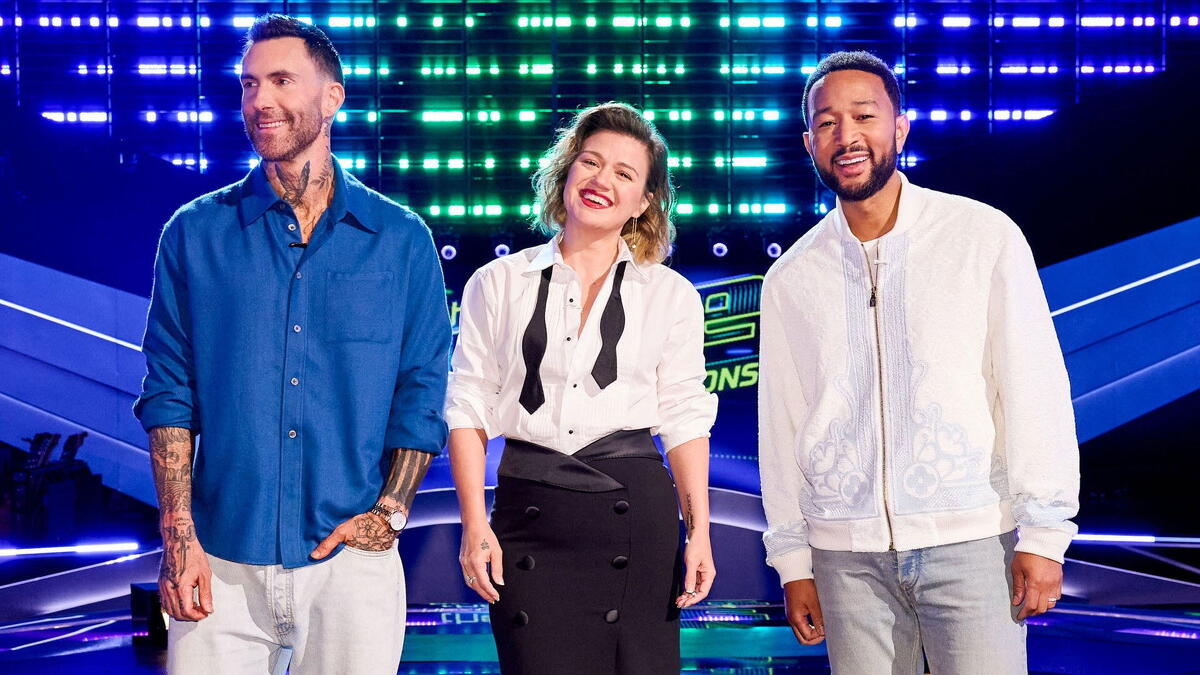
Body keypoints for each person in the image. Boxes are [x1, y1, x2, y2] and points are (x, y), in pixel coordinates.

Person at [133, 14, 450, 674]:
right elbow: (169, 394)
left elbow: (421, 391)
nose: (260, 101)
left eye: (281, 80)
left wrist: (390, 513)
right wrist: (178, 536)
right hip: (219, 559)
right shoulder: (194, 233)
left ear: (332, 97)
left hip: (352, 564)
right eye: (249, 84)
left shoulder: (401, 240)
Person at [758, 51, 1081, 674]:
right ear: (809, 143)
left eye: (864, 116)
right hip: (845, 558)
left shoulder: (980, 235)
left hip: (970, 542)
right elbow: (782, 424)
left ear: (900, 128)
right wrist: (794, 561)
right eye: (827, 123)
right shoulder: (792, 277)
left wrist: (1044, 533)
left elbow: (1033, 386)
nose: (847, 136)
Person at [445, 102, 718, 674]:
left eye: (624, 173)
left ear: (644, 201)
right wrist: (474, 524)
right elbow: (467, 406)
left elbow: (685, 419)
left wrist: (699, 533)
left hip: (634, 516)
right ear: (566, 171)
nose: (601, 181)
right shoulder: (497, 282)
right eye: (590, 162)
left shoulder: (670, 295)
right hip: (529, 515)